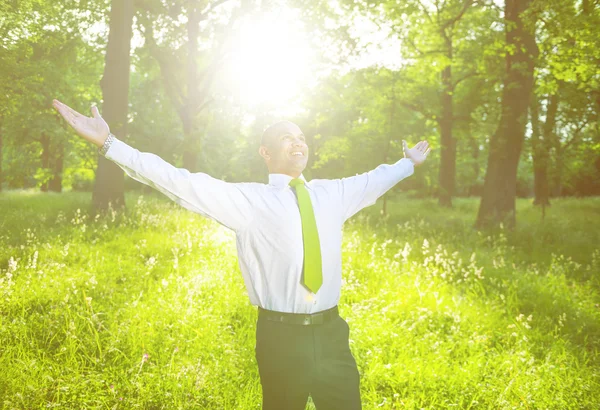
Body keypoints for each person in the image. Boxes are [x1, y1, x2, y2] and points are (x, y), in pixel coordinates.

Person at [52, 99, 430, 409]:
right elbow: (176, 180)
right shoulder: (248, 201)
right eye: (287, 138)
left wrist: (408, 162)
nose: (298, 142)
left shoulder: (333, 194)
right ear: (266, 152)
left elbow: (375, 179)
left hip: (333, 333)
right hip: (281, 338)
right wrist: (109, 144)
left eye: (301, 137)